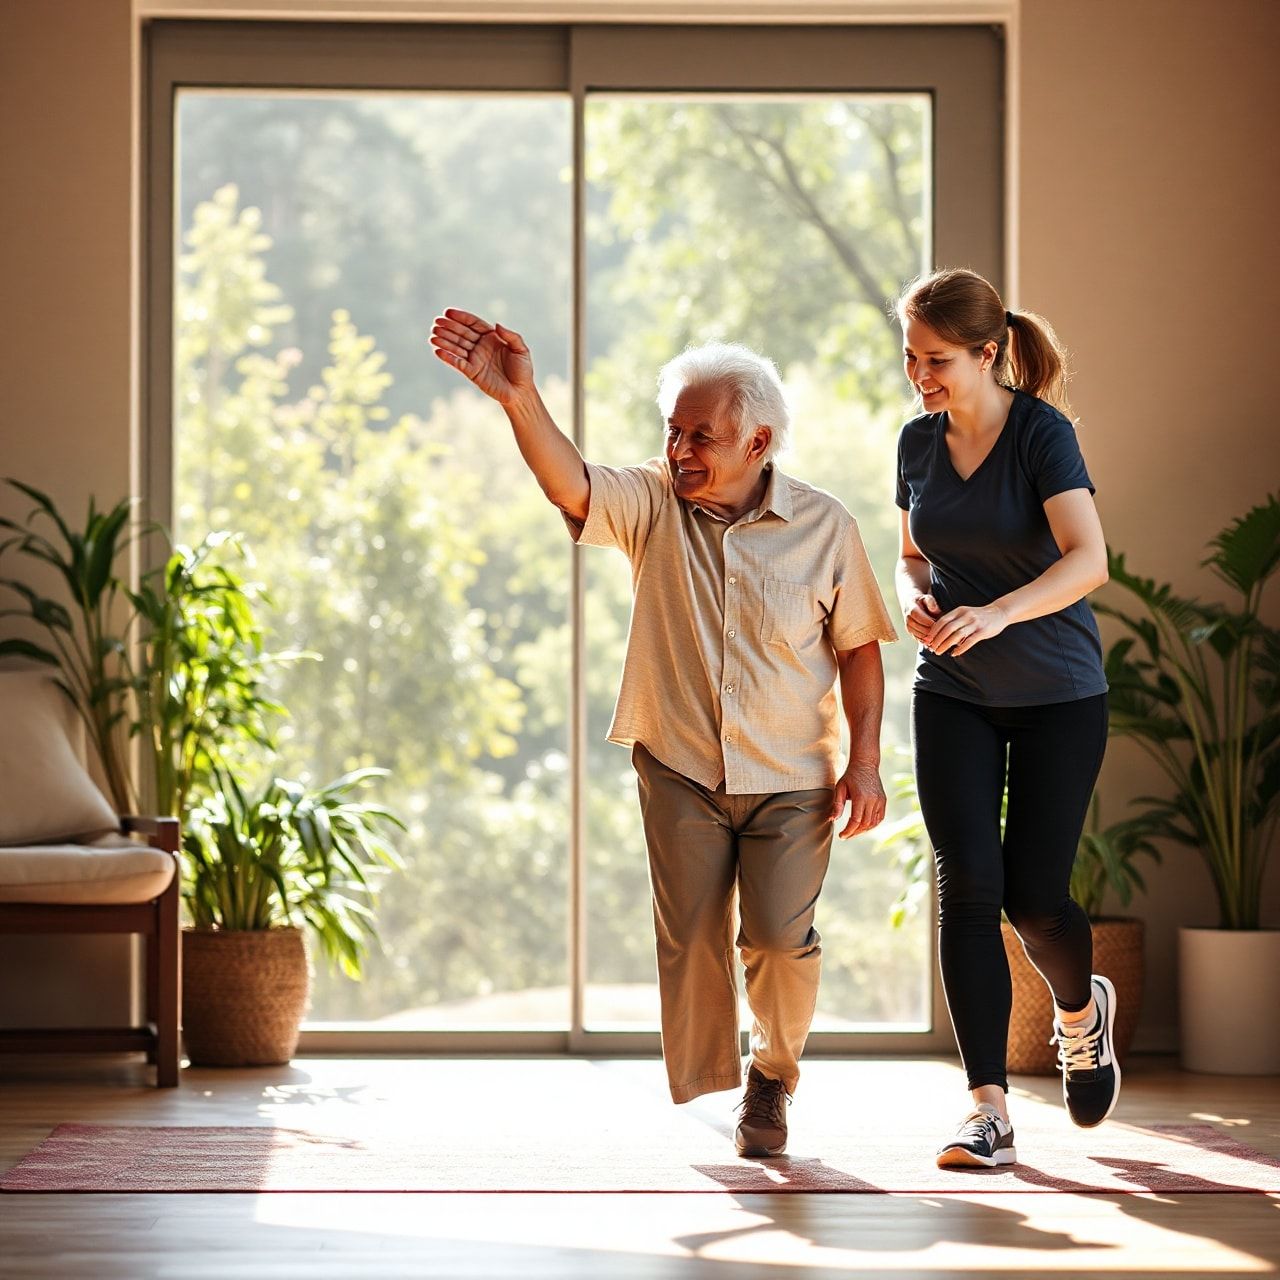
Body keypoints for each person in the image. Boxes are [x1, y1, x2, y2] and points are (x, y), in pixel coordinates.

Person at [430, 309, 897, 1157]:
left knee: (778, 943)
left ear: (758, 441)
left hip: (792, 774)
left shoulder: (827, 528)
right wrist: (519, 401)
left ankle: (773, 1076)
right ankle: (724, 1079)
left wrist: (864, 765)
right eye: (673, 431)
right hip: (680, 764)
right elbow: (571, 484)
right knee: (690, 938)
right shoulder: (651, 501)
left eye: (701, 436)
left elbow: (860, 649)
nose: (680, 449)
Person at [892, 268, 1116, 1170]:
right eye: (911, 357)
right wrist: (916, 598)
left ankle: (1080, 1014)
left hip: (1059, 692)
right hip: (952, 692)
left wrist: (999, 612)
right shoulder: (915, 441)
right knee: (967, 886)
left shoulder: (1040, 435)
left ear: (988, 353)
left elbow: (1088, 559)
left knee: (1034, 899)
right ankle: (987, 1108)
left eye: (937, 359)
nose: (920, 376)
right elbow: (913, 553)